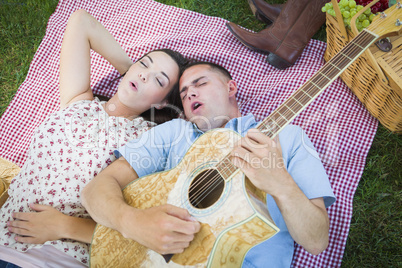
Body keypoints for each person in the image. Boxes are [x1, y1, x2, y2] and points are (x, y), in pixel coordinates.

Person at [81, 61, 336, 267]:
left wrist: (281, 185)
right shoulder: (175, 133)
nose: (190, 92)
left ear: (231, 88)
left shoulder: (287, 138)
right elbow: (95, 190)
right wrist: (132, 223)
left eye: (200, 83)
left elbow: (316, 241)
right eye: (183, 94)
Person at [0, 9, 187, 267]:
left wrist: (65, 226)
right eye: (145, 64)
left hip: (53, 258)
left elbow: (136, 226)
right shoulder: (79, 102)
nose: (145, 74)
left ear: (165, 101)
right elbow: (80, 21)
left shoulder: (147, 139)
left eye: (159, 80)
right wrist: (130, 71)